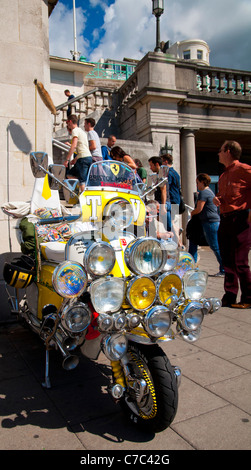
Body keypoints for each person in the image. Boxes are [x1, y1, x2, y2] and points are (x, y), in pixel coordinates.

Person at [213, 140, 251, 308]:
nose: (218, 154)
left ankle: (248, 298)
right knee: (228, 259)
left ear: (228, 151)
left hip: (240, 218)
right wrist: (218, 199)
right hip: (225, 218)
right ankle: (230, 295)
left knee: (240, 261)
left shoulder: (244, 169)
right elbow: (225, 196)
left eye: (220, 150)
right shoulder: (223, 175)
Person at [188, 173, 224, 275]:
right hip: (211, 221)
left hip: (210, 222)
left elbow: (199, 209)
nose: (197, 185)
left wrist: (192, 213)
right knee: (214, 245)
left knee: (215, 246)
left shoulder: (204, 192)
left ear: (202, 182)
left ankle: (224, 269)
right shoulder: (209, 192)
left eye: (198, 183)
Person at [63, 114, 92, 193]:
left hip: (83, 159)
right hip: (88, 157)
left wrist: (67, 159)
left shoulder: (75, 131)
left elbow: (74, 146)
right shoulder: (82, 131)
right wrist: (75, 159)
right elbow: (83, 147)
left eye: (68, 123)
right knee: (71, 175)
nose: (68, 126)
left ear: (70, 122)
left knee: (81, 180)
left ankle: (83, 201)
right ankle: (81, 193)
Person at [148, 156, 170, 230]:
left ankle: (177, 241)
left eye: (151, 165)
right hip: (161, 203)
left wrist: (163, 207)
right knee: (167, 225)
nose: (150, 168)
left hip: (163, 203)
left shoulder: (161, 175)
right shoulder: (159, 174)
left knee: (168, 227)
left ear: (156, 164)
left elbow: (163, 190)